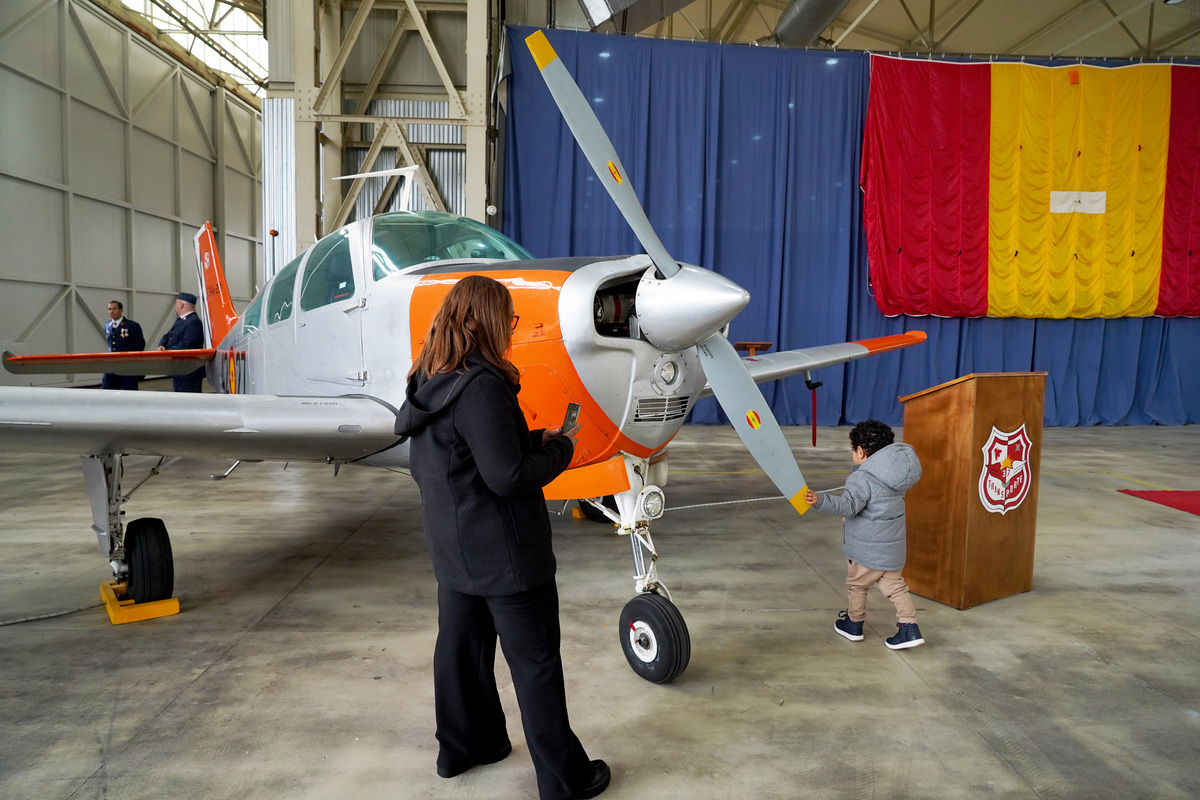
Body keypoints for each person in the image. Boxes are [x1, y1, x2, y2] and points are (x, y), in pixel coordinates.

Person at [394, 275, 610, 800]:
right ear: (489, 321)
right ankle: (566, 780)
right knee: (536, 667)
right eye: (509, 321)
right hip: (509, 558)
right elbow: (507, 477)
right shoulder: (483, 385)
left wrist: (535, 438)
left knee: (460, 657)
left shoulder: (430, 379)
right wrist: (561, 453)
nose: (511, 331)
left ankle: (467, 748)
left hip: (456, 554)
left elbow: (467, 452)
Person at [803, 419, 926, 650]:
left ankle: (854, 624)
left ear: (861, 451)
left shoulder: (862, 478)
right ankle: (909, 627)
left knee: (857, 585)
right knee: (896, 587)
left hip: (866, 548)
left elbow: (848, 506)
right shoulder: (896, 475)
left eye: (852, 449)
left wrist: (819, 500)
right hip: (891, 547)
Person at [157, 291, 205, 392]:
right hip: (179, 369)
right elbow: (167, 335)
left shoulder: (193, 322)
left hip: (188, 371)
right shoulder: (181, 321)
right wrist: (162, 345)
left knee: (189, 402)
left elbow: (188, 344)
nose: (175, 307)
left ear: (181, 305)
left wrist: (168, 351)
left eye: (176, 304)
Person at [101, 300, 144, 390]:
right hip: (111, 365)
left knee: (130, 391)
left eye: (114, 309)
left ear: (121, 310)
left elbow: (139, 345)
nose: (111, 312)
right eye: (109, 309)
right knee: (108, 391)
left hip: (127, 366)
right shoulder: (107, 325)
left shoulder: (132, 325)